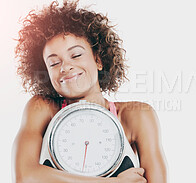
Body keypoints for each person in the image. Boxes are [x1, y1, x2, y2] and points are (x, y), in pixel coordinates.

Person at [11, 1, 167, 182]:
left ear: (98, 60)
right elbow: (25, 176)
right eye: (54, 63)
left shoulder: (137, 115)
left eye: (76, 55)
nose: (66, 67)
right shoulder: (41, 108)